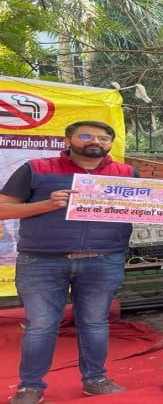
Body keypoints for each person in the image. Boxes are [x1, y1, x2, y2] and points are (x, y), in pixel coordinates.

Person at [0, 121, 135, 403]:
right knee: (40, 326)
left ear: (111, 144)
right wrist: (46, 205)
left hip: (103, 260)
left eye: (103, 137)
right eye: (85, 136)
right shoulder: (36, 168)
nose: (95, 141)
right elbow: (2, 209)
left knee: (95, 323)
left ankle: (95, 379)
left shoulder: (126, 173)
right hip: (42, 261)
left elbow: (145, 209)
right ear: (68, 140)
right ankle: (31, 387)